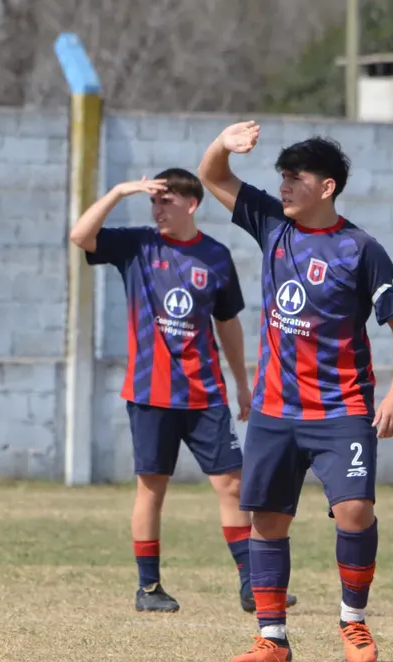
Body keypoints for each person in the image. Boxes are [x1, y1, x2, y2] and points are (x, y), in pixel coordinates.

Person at [198, 123, 393, 662]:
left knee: (355, 511)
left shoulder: (361, 249)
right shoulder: (271, 224)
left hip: (342, 408)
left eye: (296, 177)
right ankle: (272, 638)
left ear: (328, 187)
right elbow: (211, 176)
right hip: (276, 409)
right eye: (281, 177)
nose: (284, 187)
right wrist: (224, 143)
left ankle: (353, 622)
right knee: (268, 520)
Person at [69, 167, 296, 615]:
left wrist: (242, 383)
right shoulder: (137, 245)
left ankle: (253, 585)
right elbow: (80, 235)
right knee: (152, 489)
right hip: (150, 394)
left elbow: (227, 324)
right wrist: (119, 189)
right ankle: (149, 588)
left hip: (205, 394)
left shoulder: (214, 256)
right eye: (153, 202)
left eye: (165, 202)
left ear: (191, 205)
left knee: (233, 485)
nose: (157, 210)